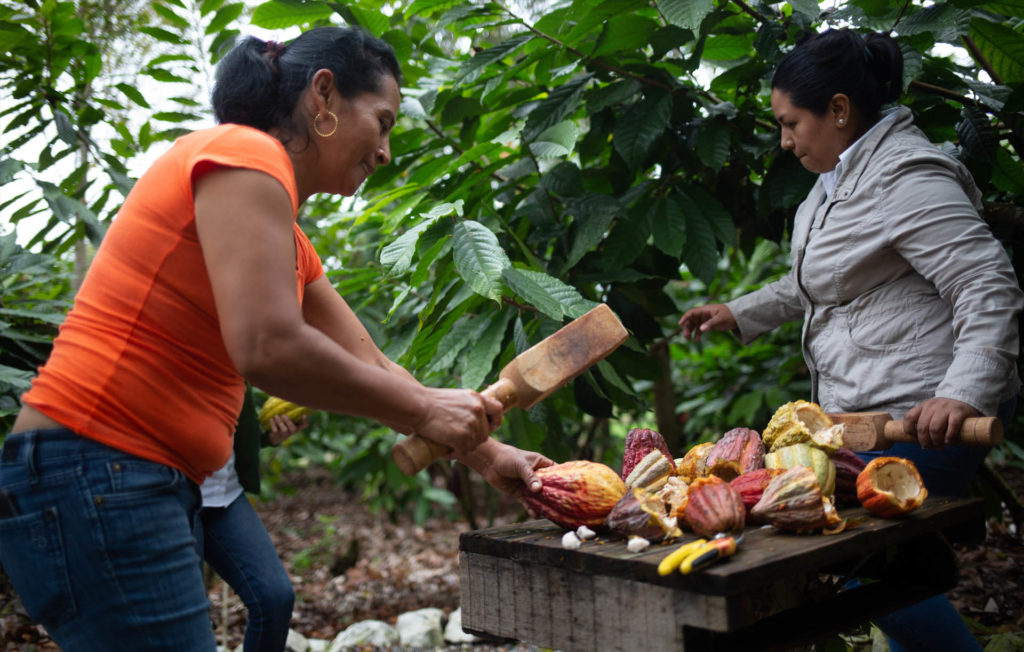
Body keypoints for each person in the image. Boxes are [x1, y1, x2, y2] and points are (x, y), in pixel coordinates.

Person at [0, 26, 552, 651]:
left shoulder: (289, 242)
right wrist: (428, 409)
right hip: (98, 466)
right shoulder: (245, 151)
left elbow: (370, 361)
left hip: (121, 476)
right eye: (383, 121)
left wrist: (489, 456)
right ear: (324, 96)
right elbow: (267, 346)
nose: (386, 150)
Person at [678, 29, 1022, 651]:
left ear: (838, 110)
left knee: (865, 561)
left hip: (926, 410)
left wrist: (964, 392)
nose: (784, 140)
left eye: (791, 123)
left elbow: (986, 283)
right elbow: (824, 281)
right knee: (875, 564)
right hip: (869, 412)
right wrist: (740, 310)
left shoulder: (904, 177)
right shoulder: (836, 180)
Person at [197, 388, 305, 652]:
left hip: (224, 493)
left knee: (274, 599)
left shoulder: (233, 350)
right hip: (172, 494)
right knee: (191, 621)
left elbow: (231, 415)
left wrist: (266, 434)